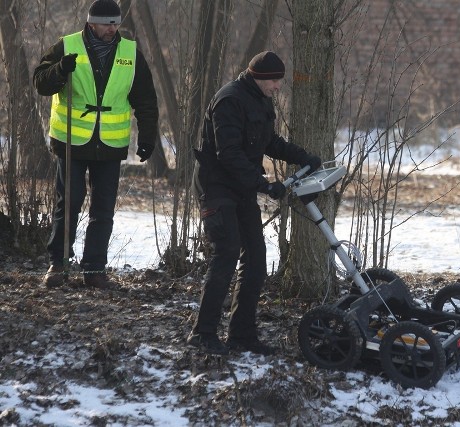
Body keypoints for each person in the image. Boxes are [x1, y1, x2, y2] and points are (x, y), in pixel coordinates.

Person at [190, 51, 322, 356]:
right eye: (275, 81)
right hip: (217, 186)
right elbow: (229, 154)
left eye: (279, 81)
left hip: (242, 188)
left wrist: (302, 156)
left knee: (256, 260)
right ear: (260, 78)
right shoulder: (229, 100)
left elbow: (269, 142)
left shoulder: (261, 100)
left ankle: (242, 335)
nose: (278, 87)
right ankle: (203, 333)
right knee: (226, 252)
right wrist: (264, 185)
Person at [33, 0, 159, 289]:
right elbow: (41, 84)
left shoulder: (130, 52)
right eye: (106, 23)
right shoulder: (66, 46)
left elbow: (145, 99)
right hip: (72, 142)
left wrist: (148, 136)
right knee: (69, 203)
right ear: (91, 24)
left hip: (110, 145)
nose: (112, 29)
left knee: (103, 209)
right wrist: (60, 70)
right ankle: (59, 265)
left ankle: (94, 270)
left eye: (115, 23)